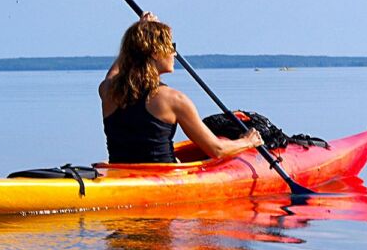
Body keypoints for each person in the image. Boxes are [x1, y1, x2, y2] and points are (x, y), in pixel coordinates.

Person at [100, 13, 262, 163]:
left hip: (119, 173)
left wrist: (139, 33)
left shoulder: (108, 90)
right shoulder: (174, 99)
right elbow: (217, 150)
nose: (174, 54)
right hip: (163, 179)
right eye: (171, 47)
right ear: (156, 52)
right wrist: (248, 141)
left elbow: (115, 71)